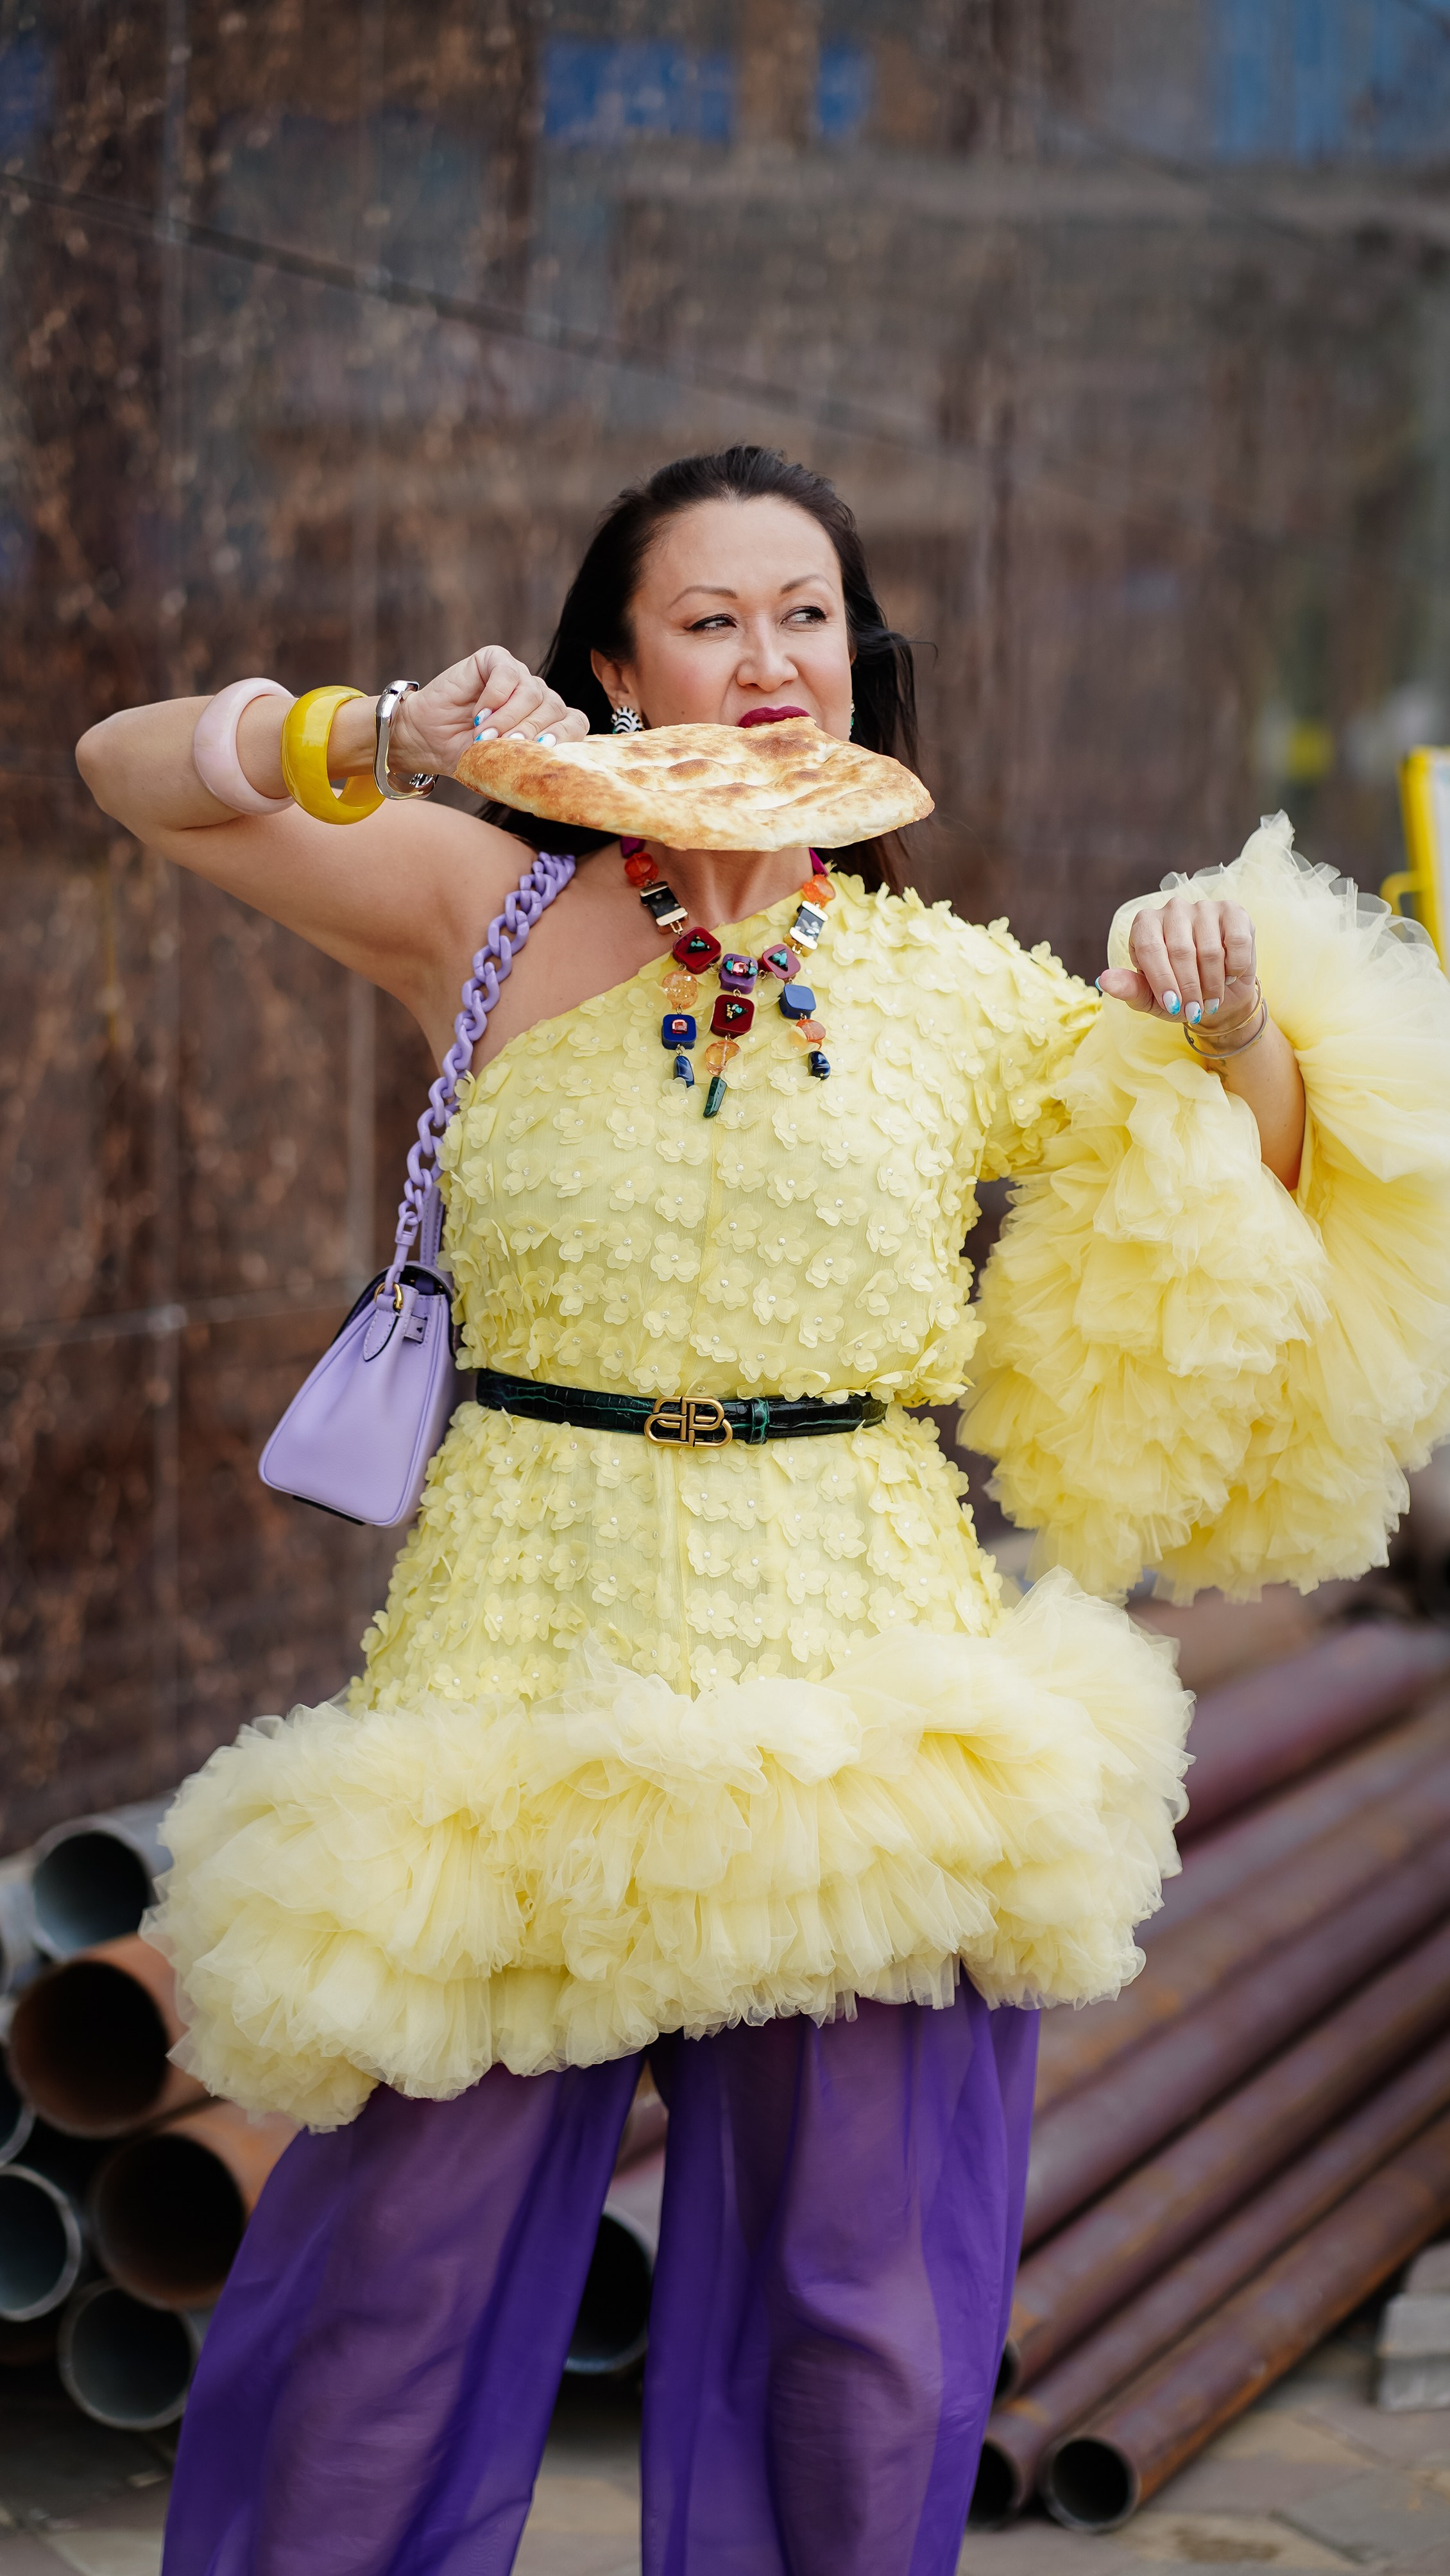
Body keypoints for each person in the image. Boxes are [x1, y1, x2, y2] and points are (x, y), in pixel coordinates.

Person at [76, 445, 1450, 2576]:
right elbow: (138, 772)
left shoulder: (955, 987)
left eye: (804, 613)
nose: (766, 660)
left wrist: (1243, 1025)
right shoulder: (482, 908)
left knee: (858, 2311)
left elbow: (1250, 1198)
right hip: (523, 1640)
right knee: (388, 2292)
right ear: (614, 668)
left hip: (860, 1675)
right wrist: (379, 739)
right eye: (708, 620)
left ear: (858, 656)